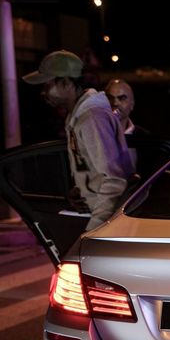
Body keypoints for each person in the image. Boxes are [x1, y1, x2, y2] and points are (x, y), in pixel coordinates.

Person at [23, 50, 134, 231]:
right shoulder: (78, 116)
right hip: (99, 217)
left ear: (66, 82)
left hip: (108, 223)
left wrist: (94, 230)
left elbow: (114, 180)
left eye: (47, 85)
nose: (43, 92)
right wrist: (82, 189)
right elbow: (96, 171)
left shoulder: (92, 117)